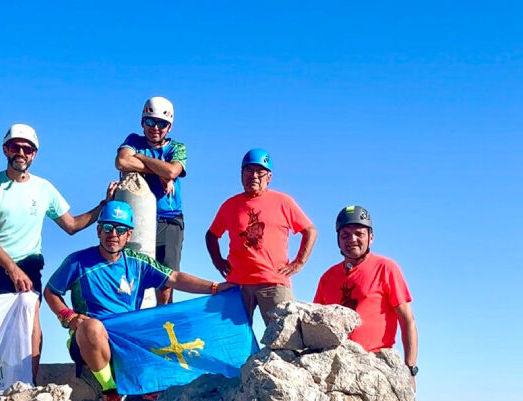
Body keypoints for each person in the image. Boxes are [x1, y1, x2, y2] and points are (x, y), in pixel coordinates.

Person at [43, 201, 231, 401]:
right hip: (91, 339)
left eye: (121, 230)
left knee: (172, 327)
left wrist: (215, 288)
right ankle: (110, 392)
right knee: (93, 327)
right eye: (107, 228)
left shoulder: (138, 262)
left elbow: (175, 279)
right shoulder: (77, 262)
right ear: (98, 230)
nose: (113, 234)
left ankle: (149, 388)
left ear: (129, 235)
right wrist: (70, 317)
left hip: (128, 339)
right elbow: (51, 292)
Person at [0, 123, 116, 379]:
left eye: (28, 149)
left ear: (34, 154)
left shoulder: (44, 188)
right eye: (16, 147)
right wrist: (10, 268)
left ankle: (29, 381)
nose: (22, 153)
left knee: (30, 318)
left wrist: (103, 206)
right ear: (6, 149)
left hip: (28, 263)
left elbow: (71, 225)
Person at [206, 149, 317, 324]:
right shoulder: (230, 205)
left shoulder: (283, 202)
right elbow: (211, 235)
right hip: (237, 284)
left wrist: (298, 263)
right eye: (249, 170)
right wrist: (217, 260)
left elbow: (310, 231)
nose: (254, 176)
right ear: (241, 174)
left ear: (269, 177)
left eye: (260, 171)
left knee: (285, 338)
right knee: (234, 341)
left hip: (274, 282)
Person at [314, 205, 418, 384]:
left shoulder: (386, 268)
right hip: (336, 364)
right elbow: (316, 325)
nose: (352, 239)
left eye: (359, 234)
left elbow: (407, 321)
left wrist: (410, 369)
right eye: (345, 235)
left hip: (375, 364)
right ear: (338, 240)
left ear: (371, 237)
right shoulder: (328, 277)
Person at [114, 96, 187, 305]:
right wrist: (159, 172)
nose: (155, 127)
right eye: (150, 121)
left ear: (170, 127)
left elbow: (173, 170)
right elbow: (121, 161)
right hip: (134, 218)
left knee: (166, 277)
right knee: (131, 272)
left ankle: (162, 322)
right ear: (142, 121)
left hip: (168, 218)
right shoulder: (132, 140)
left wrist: (142, 158)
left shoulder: (177, 148)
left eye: (162, 124)